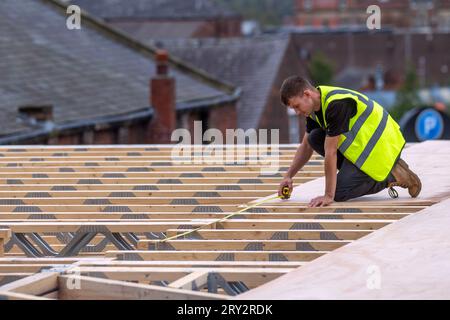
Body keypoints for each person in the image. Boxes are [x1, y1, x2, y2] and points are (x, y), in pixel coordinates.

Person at [278, 76, 421, 207]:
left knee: (338, 193)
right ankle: (356, 174)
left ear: (307, 94)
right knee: (313, 138)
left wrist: (328, 195)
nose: (296, 112)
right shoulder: (315, 107)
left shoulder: (336, 104)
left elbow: (331, 152)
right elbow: (306, 146)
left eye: (296, 106)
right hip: (366, 146)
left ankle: (394, 175)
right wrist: (288, 176)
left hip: (383, 147)